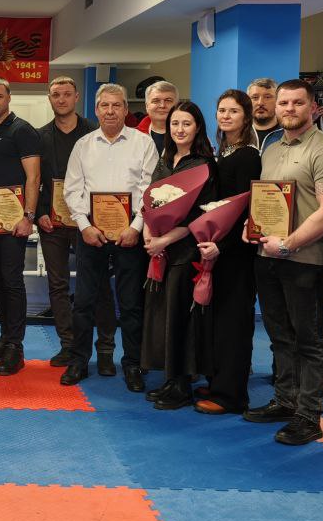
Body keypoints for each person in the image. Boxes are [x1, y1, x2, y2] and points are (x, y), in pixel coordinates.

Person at [243, 79, 323, 445]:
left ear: (313, 108)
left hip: (304, 259)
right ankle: (285, 400)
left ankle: (308, 414)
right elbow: (266, 202)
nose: (289, 109)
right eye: (284, 103)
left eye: (297, 103)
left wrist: (288, 245)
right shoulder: (272, 149)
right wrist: (251, 228)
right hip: (267, 256)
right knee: (280, 335)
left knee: (310, 338)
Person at [63, 83, 158, 389]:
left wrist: (136, 227)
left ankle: (132, 365)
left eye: (117, 105)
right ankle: (78, 361)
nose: (110, 111)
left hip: (130, 233)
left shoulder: (143, 144)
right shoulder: (83, 145)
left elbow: (149, 190)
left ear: (126, 110)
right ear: (96, 109)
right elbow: (72, 189)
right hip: (92, 233)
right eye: (105, 105)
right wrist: (84, 225)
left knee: (130, 303)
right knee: (83, 302)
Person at [141, 102, 216, 410]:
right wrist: (149, 234)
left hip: (185, 251)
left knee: (180, 317)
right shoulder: (165, 160)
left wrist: (164, 240)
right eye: (175, 124)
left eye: (186, 123)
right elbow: (151, 203)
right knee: (162, 316)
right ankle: (170, 378)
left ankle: (183, 384)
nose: (180, 129)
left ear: (197, 127)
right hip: (160, 251)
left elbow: (198, 215)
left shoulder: (202, 165)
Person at [194, 90, 263, 415]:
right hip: (218, 246)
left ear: (246, 116)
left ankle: (232, 395)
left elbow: (243, 209)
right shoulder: (223, 151)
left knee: (234, 324)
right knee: (218, 321)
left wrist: (222, 245)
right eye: (221, 110)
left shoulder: (248, 156)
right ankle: (218, 381)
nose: (225, 116)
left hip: (236, 251)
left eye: (233, 111)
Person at [0, 78, 42, 377]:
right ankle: (5, 337)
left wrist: (28, 216)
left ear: (9, 98)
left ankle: (16, 346)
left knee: (12, 280)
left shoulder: (23, 130)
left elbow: (34, 177)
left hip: (15, 220)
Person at [35, 76, 104, 370]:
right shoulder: (39, 136)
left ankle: (97, 347)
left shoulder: (94, 133)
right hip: (51, 221)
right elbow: (33, 179)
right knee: (57, 284)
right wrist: (39, 212)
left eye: (66, 94)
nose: (61, 99)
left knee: (93, 283)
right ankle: (67, 344)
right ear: (49, 99)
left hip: (88, 221)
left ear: (77, 97)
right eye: (55, 95)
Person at [137, 80, 178, 154]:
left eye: (168, 100)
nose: (162, 105)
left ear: (177, 106)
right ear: (147, 106)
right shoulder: (133, 137)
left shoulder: (192, 137)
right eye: (156, 101)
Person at [248, 77, 284, 152]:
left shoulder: (288, 133)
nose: (260, 103)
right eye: (255, 97)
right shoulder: (238, 133)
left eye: (267, 97)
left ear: (277, 101)